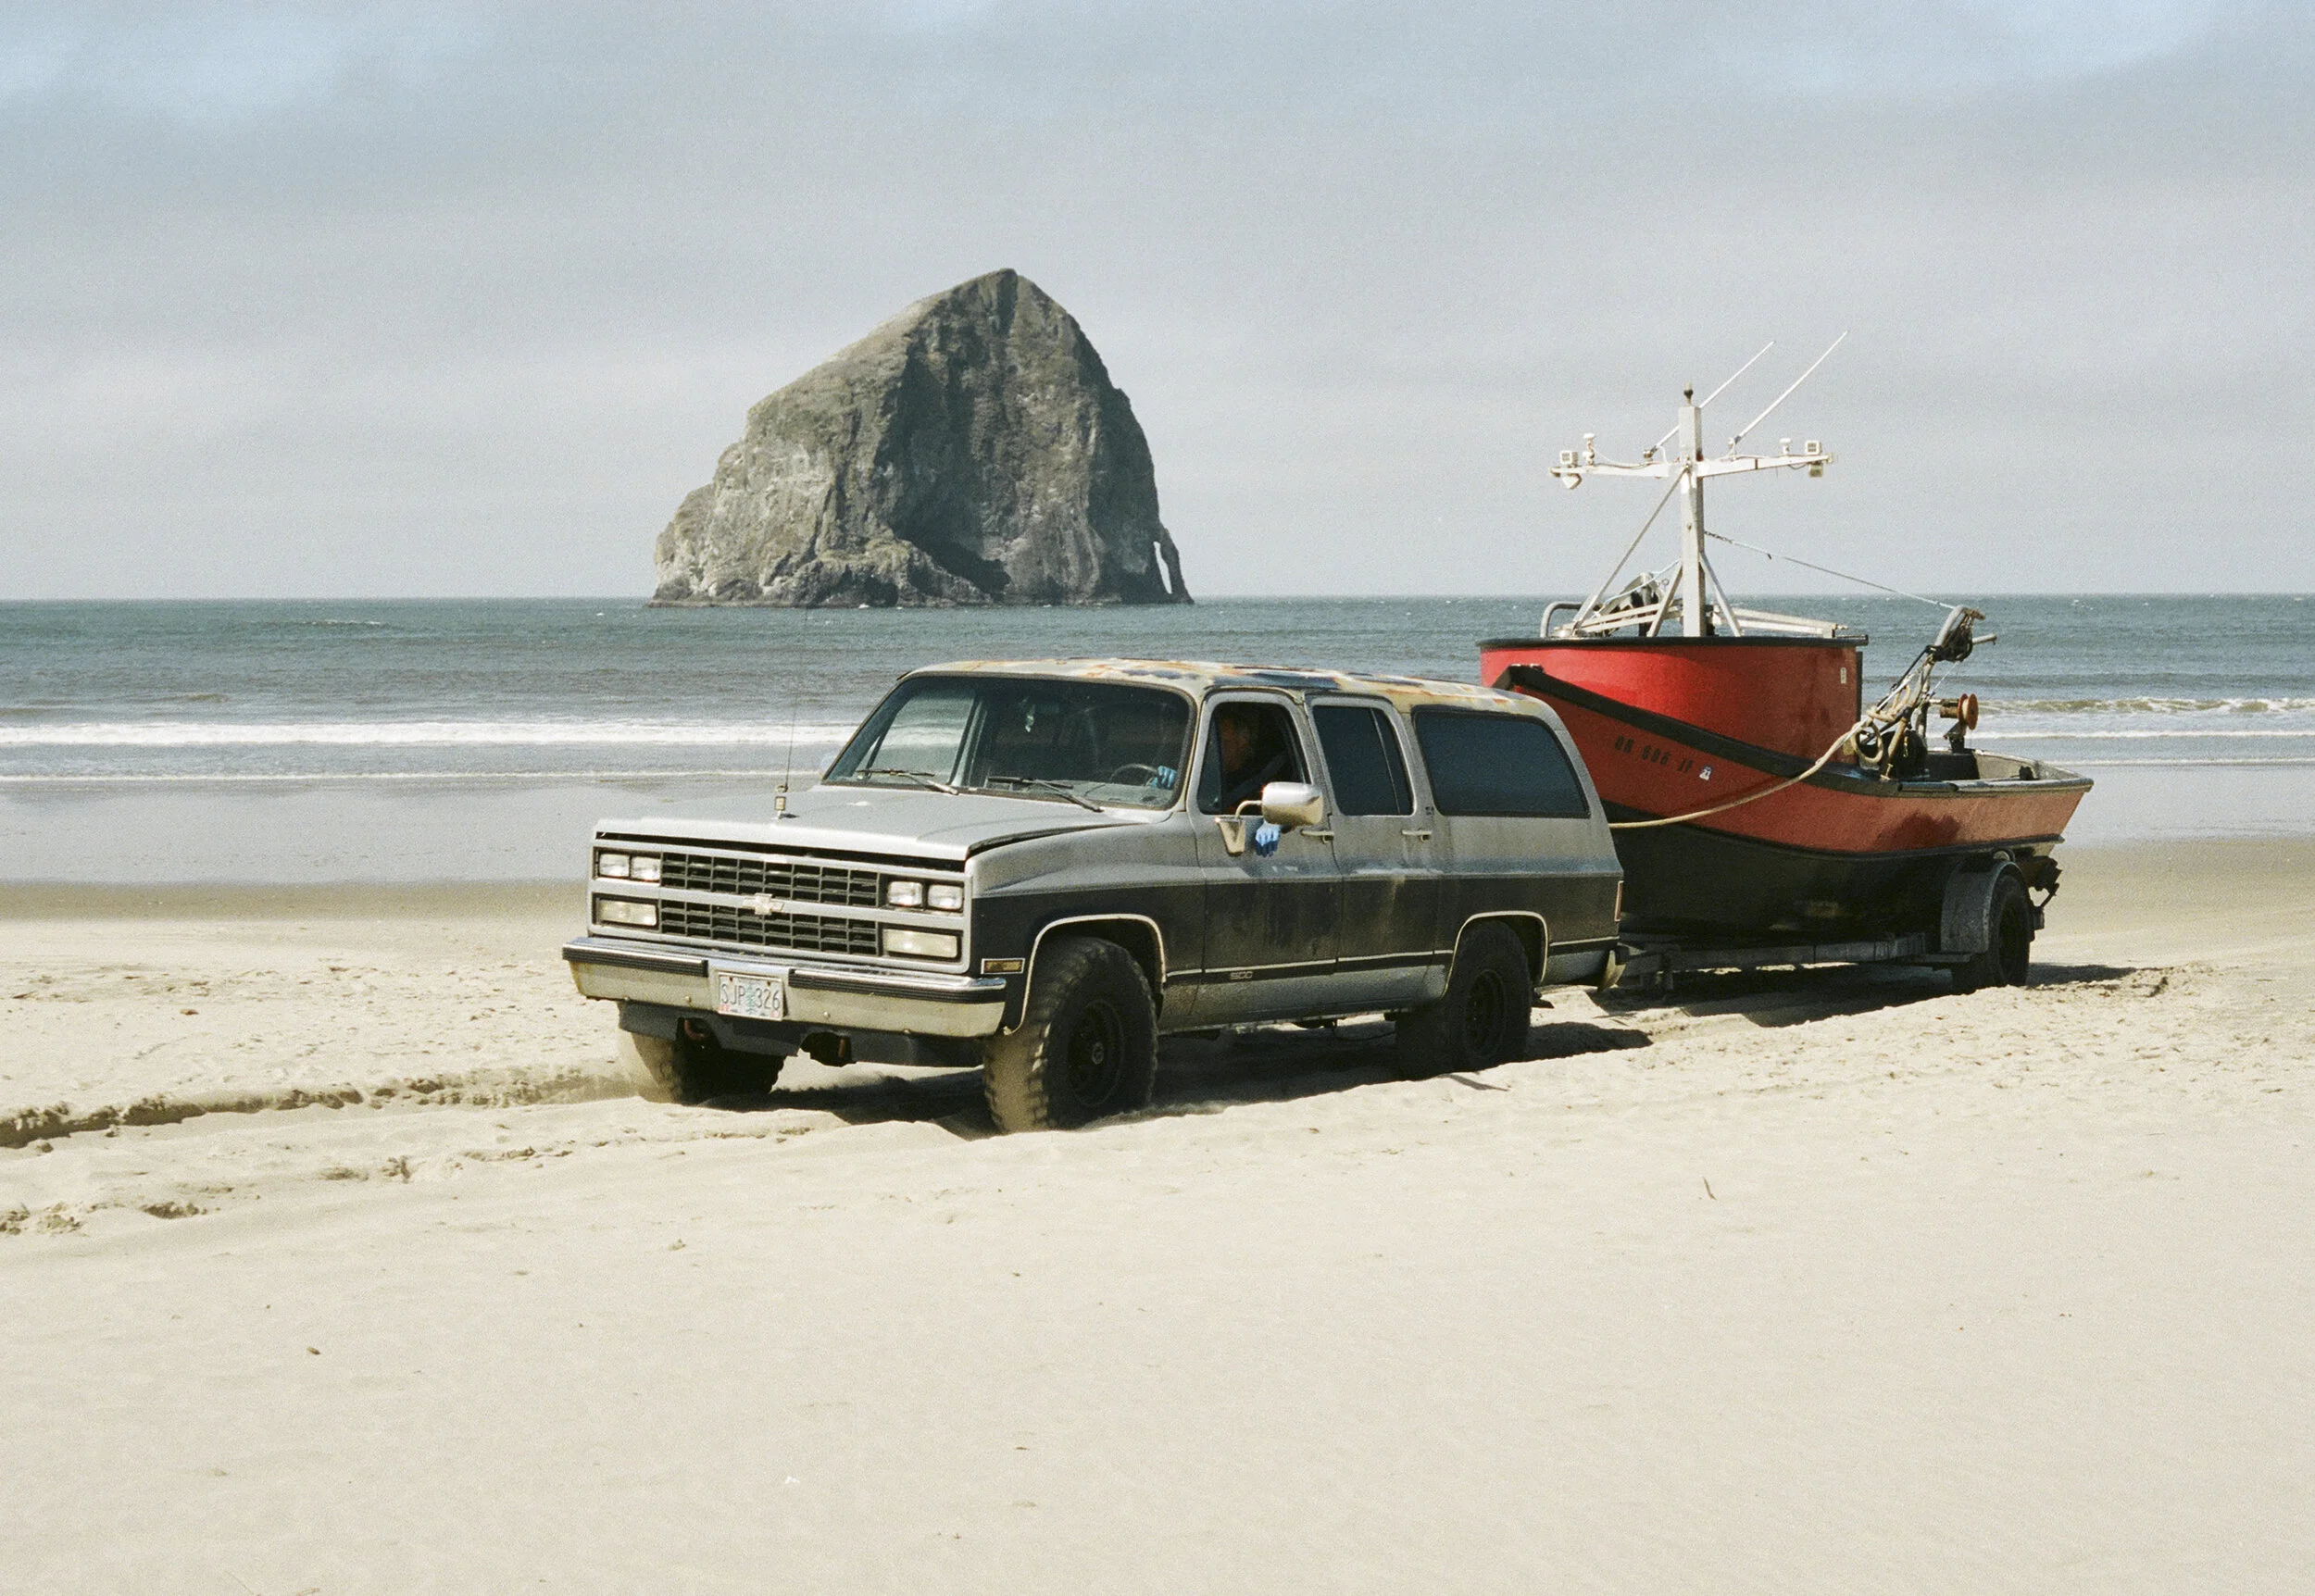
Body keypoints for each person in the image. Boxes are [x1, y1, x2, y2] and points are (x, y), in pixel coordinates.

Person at [1212, 704, 1292, 812]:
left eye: (1223, 741)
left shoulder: (1259, 785)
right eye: (1212, 742)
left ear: (1242, 740)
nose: (1215, 747)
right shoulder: (1209, 777)